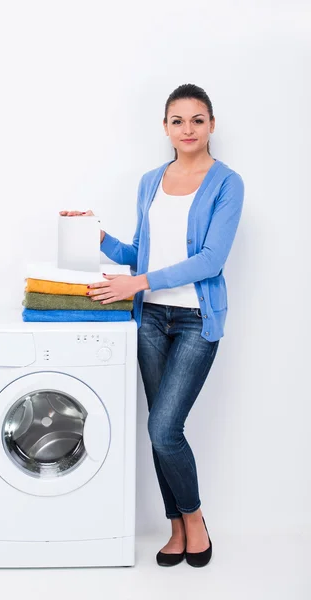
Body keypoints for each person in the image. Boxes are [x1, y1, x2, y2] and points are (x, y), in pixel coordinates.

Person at [59, 83, 244, 568]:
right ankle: (177, 526)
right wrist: (100, 237)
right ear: (165, 127)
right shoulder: (149, 180)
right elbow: (140, 249)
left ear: (211, 125)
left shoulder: (227, 183)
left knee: (165, 429)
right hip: (150, 319)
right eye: (178, 120)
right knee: (159, 426)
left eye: (197, 120)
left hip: (194, 320)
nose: (188, 129)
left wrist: (136, 281)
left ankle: (195, 517)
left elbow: (210, 260)